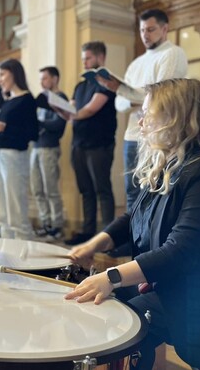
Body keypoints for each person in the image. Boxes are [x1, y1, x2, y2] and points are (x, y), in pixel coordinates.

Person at [66, 78, 200, 370]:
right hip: (171, 291)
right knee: (103, 314)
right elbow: (135, 218)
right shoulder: (167, 164)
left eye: (147, 113)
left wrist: (111, 277)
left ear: (175, 117)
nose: (140, 122)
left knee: (119, 320)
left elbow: (180, 250)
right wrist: (94, 244)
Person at [96, 9, 187, 211]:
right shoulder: (136, 64)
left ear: (165, 28)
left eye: (151, 29)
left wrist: (121, 90)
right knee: (132, 194)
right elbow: (119, 104)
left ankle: (151, 243)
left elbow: (161, 97)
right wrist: (133, 97)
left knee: (155, 195)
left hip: (159, 136)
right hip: (132, 136)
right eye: (142, 30)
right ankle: (132, 242)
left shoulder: (173, 54)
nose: (145, 35)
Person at [60, 42, 117, 246]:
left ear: (101, 58)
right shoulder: (80, 85)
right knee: (86, 190)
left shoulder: (107, 82)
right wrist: (61, 109)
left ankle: (110, 238)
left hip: (99, 144)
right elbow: (72, 109)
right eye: (83, 58)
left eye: (88, 58)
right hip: (79, 144)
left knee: (102, 189)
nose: (84, 62)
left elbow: (91, 109)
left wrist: (72, 114)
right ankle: (89, 232)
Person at [0, 59, 38, 240]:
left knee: (16, 211)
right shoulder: (7, 101)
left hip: (15, 155)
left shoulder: (27, 99)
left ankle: (26, 261)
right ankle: (6, 258)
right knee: (2, 212)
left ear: (14, 73)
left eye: (2, 74)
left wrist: (6, 128)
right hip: (0, 154)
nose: (0, 79)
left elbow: (33, 133)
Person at [31, 66, 67, 240]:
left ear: (54, 79)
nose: (42, 82)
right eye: (41, 79)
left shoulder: (60, 98)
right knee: (37, 188)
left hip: (50, 147)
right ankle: (45, 223)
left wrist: (38, 123)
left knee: (50, 188)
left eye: (45, 78)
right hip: (36, 147)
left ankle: (57, 226)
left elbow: (58, 125)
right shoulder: (41, 100)